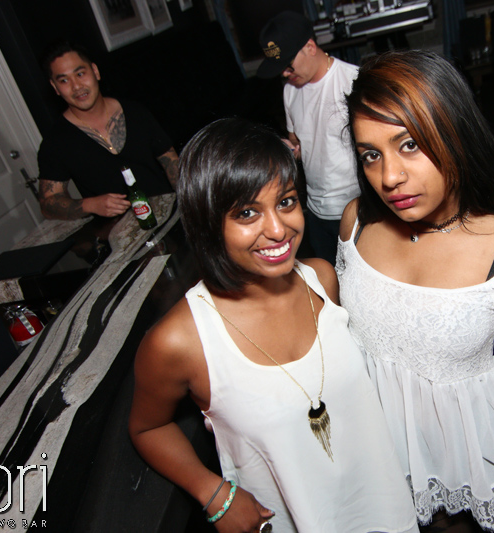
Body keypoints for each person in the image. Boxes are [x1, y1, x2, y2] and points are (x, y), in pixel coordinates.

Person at [128, 118, 418, 533]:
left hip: (382, 504)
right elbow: (147, 427)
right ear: (207, 223)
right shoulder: (180, 340)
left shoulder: (322, 280)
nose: (279, 229)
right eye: (247, 213)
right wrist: (213, 493)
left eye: (286, 201)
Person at [337, 50, 494, 532]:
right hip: (382, 456)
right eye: (371, 155)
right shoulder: (356, 223)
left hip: (480, 467)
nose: (389, 177)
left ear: (454, 133)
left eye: (409, 145)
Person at [256, 11, 359, 265]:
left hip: (356, 209)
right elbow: (299, 144)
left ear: (310, 47)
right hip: (315, 213)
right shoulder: (290, 91)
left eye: (288, 65)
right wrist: (288, 149)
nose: (284, 73)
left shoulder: (354, 82)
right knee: (328, 278)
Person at [36, 41, 179, 220]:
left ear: (95, 71)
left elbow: (173, 165)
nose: (76, 86)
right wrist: (90, 205)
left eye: (80, 74)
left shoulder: (135, 112)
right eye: (64, 80)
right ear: (55, 87)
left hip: (168, 216)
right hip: (117, 231)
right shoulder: (56, 142)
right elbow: (48, 204)